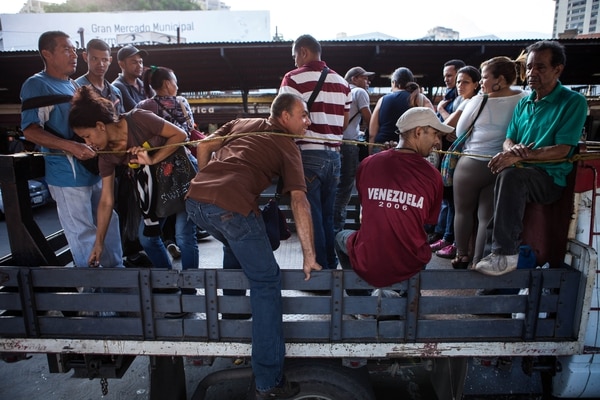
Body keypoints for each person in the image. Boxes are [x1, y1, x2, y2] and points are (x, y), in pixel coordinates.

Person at [185, 92, 322, 399]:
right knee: (267, 281)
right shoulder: (288, 146)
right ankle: (269, 380)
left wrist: (206, 182)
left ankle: (233, 318)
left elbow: (204, 145)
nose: (307, 121)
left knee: (235, 245)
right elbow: (299, 199)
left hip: (195, 203)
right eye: (303, 115)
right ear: (284, 116)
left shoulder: (242, 122)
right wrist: (309, 255)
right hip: (230, 208)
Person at [475, 40, 588, 276]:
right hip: (520, 171)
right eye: (528, 67)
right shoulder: (524, 101)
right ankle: (492, 266)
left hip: (550, 179)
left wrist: (520, 156)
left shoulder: (573, 102)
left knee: (512, 176)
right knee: (501, 177)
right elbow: (509, 139)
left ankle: (504, 254)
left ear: (558, 69)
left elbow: (563, 150)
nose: (531, 73)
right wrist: (510, 151)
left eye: (540, 67)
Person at [67, 86, 198, 278]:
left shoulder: (138, 119)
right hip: (153, 188)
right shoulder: (106, 155)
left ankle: (190, 289)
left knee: (183, 236)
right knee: (147, 239)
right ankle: (168, 282)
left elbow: (180, 135)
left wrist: (152, 158)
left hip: (180, 175)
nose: (88, 143)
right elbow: (106, 200)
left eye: (87, 136)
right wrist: (99, 243)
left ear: (100, 126)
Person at [20, 30, 123, 269]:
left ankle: (120, 282)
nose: (74, 55)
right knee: (83, 232)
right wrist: (72, 147)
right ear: (47, 54)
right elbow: (31, 131)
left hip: (92, 168)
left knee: (109, 223)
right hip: (67, 176)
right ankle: (99, 297)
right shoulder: (37, 84)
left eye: (74, 49)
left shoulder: (73, 84)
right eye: (66, 49)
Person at [335, 107, 453, 288]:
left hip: (369, 257)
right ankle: (403, 295)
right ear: (418, 132)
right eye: (436, 134)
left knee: (340, 238)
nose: (438, 142)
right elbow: (427, 221)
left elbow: (369, 209)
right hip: (411, 261)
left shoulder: (368, 164)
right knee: (414, 247)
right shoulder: (433, 176)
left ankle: (362, 299)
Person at [279, 34, 351, 270]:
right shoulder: (342, 82)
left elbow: (283, 118)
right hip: (334, 156)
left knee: (312, 217)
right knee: (328, 217)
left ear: (303, 52)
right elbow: (344, 122)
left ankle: (320, 272)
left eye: (294, 57)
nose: (294, 63)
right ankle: (330, 267)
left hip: (308, 155)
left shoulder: (293, 79)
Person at [450, 59, 527, 269]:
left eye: (484, 77)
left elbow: (459, 132)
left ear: (499, 80)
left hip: (471, 164)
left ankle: (461, 254)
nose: (481, 82)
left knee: (463, 211)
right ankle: (478, 260)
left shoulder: (478, 101)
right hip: (501, 164)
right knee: (487, 216)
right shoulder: (524, 98)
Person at [136, 65, 200, 267]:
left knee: (149, 234)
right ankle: (191, 287)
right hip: (185, 169)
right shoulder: (181, 102)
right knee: (185, 235)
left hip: (156, 174)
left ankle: (168, 280)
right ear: (166, 83)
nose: (177, 85)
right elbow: (189, 130)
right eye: (175, 81)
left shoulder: (142, 107)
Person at [428, 59, 466, 259]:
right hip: (447, 152)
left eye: (452, 76)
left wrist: (441, 110)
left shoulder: (466, 100)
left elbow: (447, 127)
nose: (450, 81)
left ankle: (450, 239)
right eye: (447, 77)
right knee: (446, 197)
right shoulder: (452, 96)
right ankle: (443, 234)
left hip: (458, 154)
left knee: (452, 199)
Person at [333, 66, 374, 234]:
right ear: (354, 79)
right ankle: (336, 229)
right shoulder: (359, 93)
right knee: (345, 189)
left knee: (335, 188)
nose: (367, 82)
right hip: (349, 145)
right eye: (364, 78)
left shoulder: (339, 91)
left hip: (334, 144)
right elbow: (370, 119)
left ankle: (330, 225)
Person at [368, 67, 433, 154]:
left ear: (394, 83)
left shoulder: (382, 100)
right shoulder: (421, 99)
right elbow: (433, 125)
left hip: (382, 148)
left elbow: (372, 134)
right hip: (409, 150)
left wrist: (371, 153)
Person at [75, 39, 125, 115]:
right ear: (85, 57)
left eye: (104, 60)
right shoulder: (77, 88)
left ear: (110, 60)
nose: (100, 64)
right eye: (94, 59)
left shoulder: (116, 92)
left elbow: (121, 121)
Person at [112, 44, 149, 112]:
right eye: (134, 62)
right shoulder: (117, 86)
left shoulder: (143, 84)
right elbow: (137, 112)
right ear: (121, 64)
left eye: (140, 62)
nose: (139, 66)